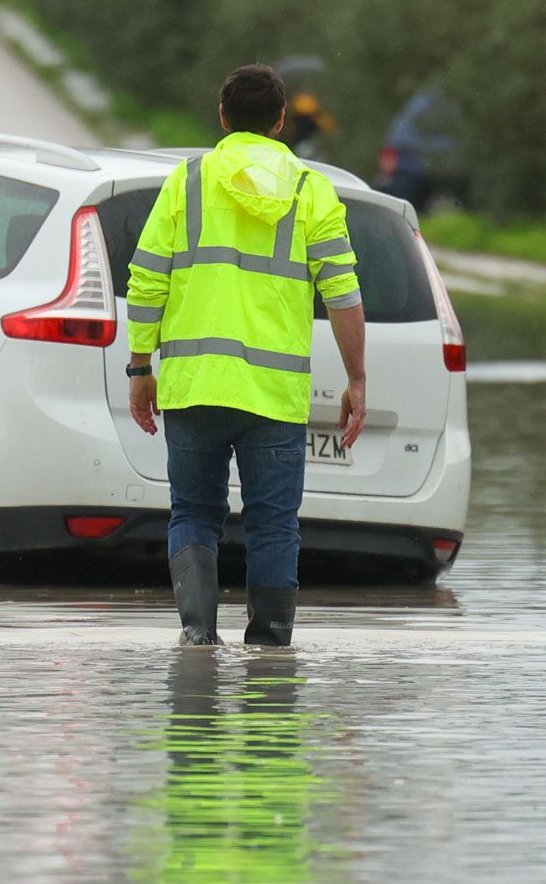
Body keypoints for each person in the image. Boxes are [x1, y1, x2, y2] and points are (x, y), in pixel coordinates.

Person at [126, 63, 367, 647]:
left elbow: (146, 279)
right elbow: (343, 293)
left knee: (193, 513)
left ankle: (198, 641)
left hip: (194, 385)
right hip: (275, 398)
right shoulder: (312, 190)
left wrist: (139, 368)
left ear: (222, 117)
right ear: (281, 122)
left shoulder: (185, 183)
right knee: (274, 523)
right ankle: (272, 648)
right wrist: (357, 378)